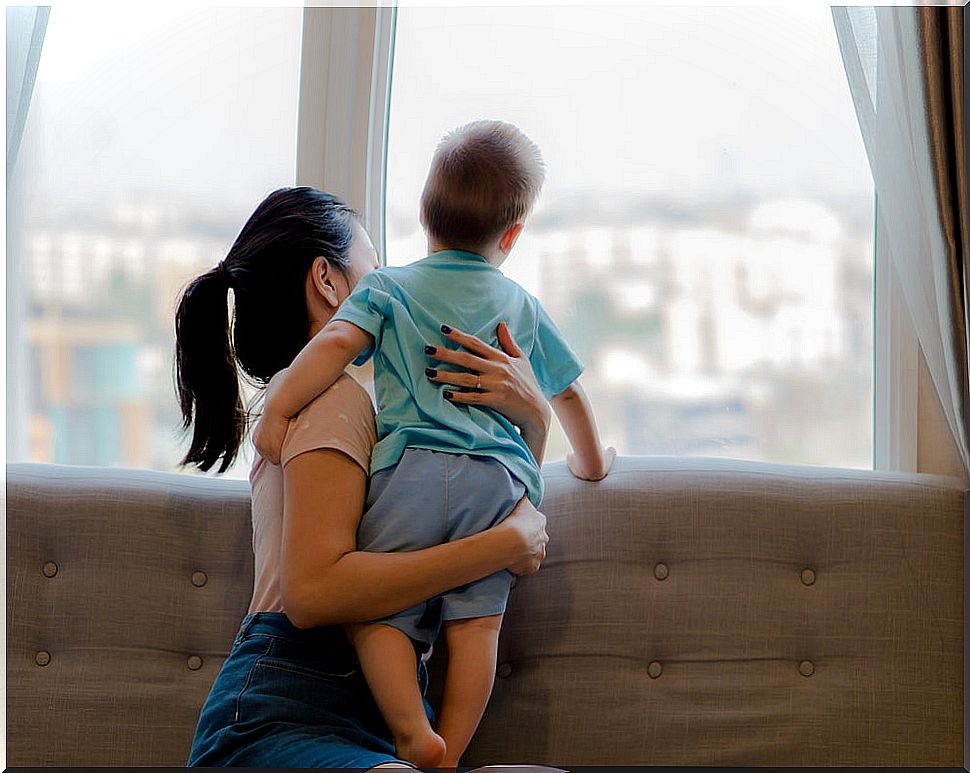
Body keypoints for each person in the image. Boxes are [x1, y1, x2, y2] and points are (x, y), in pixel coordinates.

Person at [253, 121, 615, 768]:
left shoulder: (388, 291)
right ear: (511, 236)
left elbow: (335, 344)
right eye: (365, 252)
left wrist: (275, 410)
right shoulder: (520, 305)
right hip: (495, 485)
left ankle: (412, 730)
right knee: (478, 628)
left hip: (407, 473)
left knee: (385, 621)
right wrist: (587, 462)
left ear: (424, 213)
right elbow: (572, 396)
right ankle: (446, 749)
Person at [175, 186, 552, 768]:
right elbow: (313, 594)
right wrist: (498, 547)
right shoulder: (330, 400)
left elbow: (508, 496)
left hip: (353, 706)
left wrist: (533, 414)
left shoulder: (369, 409)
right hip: (289, 708)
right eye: (374, 267)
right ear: (327, 282)